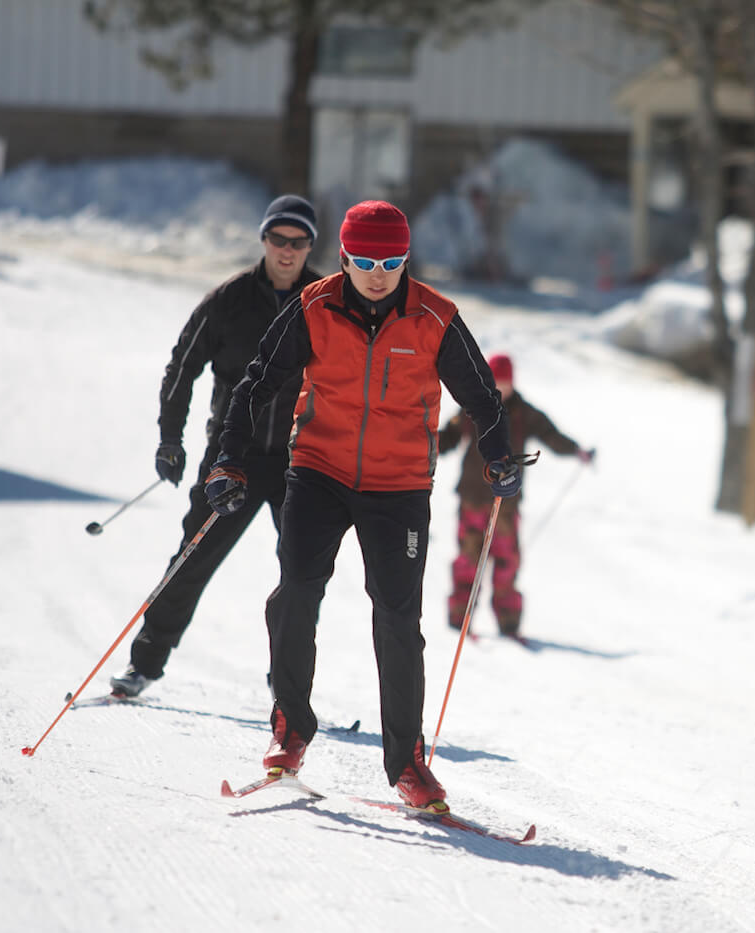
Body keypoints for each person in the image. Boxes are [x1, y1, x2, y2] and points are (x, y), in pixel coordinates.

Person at [204, 199, 520, 813]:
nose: (379, 273)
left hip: (398, 485)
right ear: (344, 256)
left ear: (407, 259)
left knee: (398, 620)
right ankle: (290, 729)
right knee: (296, 590)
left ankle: (407, 764)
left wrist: (499, 455)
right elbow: (255, 385)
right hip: (318, 472)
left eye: (393, 260)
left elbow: (483, 396)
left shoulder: (435, 317)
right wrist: (228, 460)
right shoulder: (313, 306)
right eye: (366, 260)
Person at [109, 195, 323, 698]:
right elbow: (181, 368)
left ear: (311, 245)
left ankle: (289, 687)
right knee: (193, 559)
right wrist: (170, 439)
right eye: (279, 239)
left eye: (299, 242)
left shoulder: (323, 300)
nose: (288, 250)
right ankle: (144, 663)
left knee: (302, 575)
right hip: (234, 457)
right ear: (264, 239)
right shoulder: (228, 300)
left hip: (300, 459)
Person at [439, 352, 593, 638]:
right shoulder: (473, 406)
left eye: (505, 382)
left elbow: (551, 435)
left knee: (507, 563)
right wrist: (430, 445)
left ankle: (509, 622)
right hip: (472, 497)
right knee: (468, 561)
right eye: (496, 382)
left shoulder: (525, 413)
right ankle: (459, 618)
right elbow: (449, 436)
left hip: (506, 504)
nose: (501, 388)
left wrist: (576, 450)